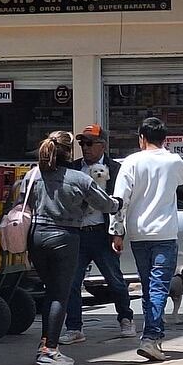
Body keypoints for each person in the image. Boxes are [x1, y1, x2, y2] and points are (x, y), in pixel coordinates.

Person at [22, 131, 120, 365]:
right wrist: (119, 202)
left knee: (49, 291)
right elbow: (106, 205)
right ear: (68, 152)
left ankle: (45, 343)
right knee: (59, 295)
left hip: (36, 236)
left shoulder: (32, 176)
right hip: (65, 237)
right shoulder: (78, 178)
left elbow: (18, 200)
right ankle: (49, 350)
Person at [110, 117, 183, 362]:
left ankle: (153, 336)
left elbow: (119, 200)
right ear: (165, 139)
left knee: (148, 286)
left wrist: (117, 231)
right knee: (158, 287)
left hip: (138, 233)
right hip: (165, 233)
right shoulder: (173, 160)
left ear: (141, 138)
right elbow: (182, 180)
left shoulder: (132, 162)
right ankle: (152, 337)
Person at [61, 125, 136, 346]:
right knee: (72, 283)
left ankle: (126, 319)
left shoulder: (115, 169)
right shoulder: (72, 168)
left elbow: (121, 204)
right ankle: (74, 327)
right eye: (82, 143)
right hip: (78, 234)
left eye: (90, 143)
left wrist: (117, 233)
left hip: (103, 234)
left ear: (102, 145)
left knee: (114, 280)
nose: (85, 147)